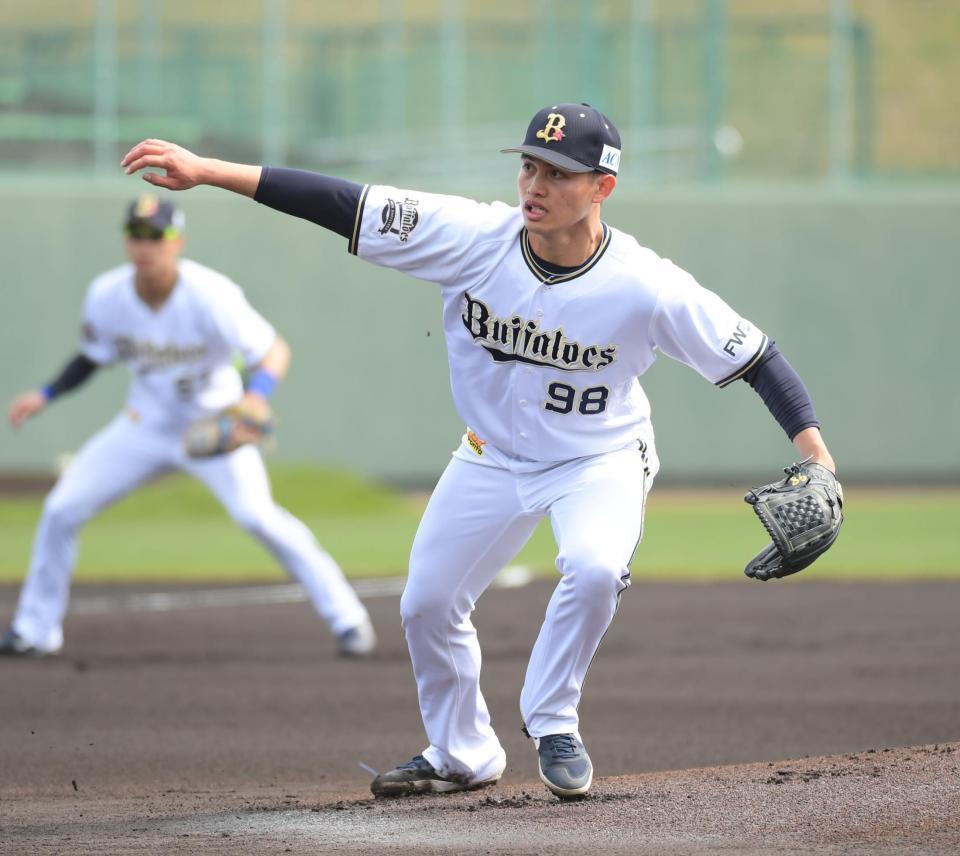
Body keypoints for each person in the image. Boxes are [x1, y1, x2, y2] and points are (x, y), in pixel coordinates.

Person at [118, 103, 837, 799]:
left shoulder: (647, 284)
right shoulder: (468, 235)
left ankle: (553, 720)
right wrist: (209, 171)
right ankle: (462, 752)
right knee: (426, 604)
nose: (535, 185)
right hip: (488, 455)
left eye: (558, 172)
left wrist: (817, 458)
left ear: (602, 187)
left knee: (591, 569)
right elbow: (342, 202)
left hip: (598, 460)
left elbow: (757, 358)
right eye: (529, 166)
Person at [1, 195, 376, 660]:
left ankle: (348, 619)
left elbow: (274, 350)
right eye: (137, 236)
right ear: (125, 241)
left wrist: (254, 398)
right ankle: (34, 630)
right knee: (60, 509)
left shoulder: (210, 294)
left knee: (258, 517)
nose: (146, 246)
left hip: (216, 427)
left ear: (177, 241)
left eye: (156, 236)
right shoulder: (107, 295)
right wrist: (47, 393)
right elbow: (92, 357)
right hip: (144, 425)